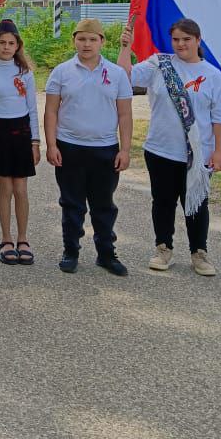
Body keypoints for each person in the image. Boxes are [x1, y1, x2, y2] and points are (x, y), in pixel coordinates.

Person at [118, 16, 221, 276]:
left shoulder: (213, 76)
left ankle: (199, 253)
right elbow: (123, 77)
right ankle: (163, 248)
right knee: (163, 202)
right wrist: (126, 46)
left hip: (199, 154)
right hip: (160, 149)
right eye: (176, 39)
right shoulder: (159, 64)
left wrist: (219, 152)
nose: (181, 44)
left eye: (186, 39)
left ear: (198, 40)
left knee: (196, 204)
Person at [43, 19, 133, 276]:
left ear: (102, 42)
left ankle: (106, 254)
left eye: (93, 39)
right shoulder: (61, 72)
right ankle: (70, 251)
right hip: (69, 147)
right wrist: (51, 145)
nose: (87, 44)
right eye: (82, 39)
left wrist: (125, 150)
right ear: (74, 40)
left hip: (105, 149)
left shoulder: (116, 74)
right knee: (72, 204)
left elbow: (125, 115)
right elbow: (51, 111)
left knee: (104, 205)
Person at [0, 20, 41, 265]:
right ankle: (6, 239)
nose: (6, 47)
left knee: (21, 190)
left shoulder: (25, 73)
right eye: (1, 42)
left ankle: (23, 239)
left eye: (11, 43)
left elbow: (33, 109)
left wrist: (36, 141)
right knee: (5, 189)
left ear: (17, 46)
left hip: (22, 132)